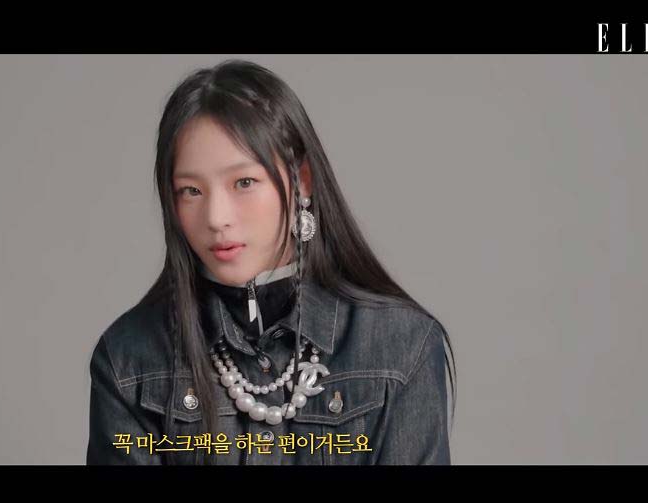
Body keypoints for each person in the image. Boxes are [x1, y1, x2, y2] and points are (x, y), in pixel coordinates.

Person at [86, 59, 456, 465]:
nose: (216, 218)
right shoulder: (129, 358)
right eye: (191, 190)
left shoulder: (401, 345)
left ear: (302, 180)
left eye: (244, 182)